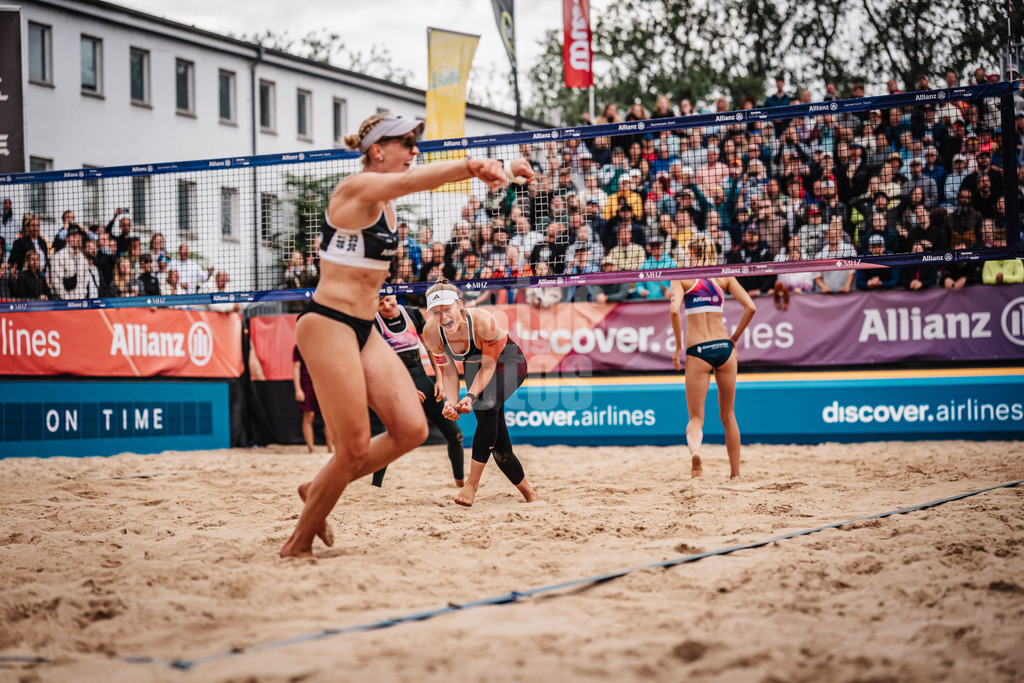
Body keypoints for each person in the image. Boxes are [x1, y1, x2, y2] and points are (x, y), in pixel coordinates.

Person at [282, 113, 535, 558]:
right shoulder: (355, 188)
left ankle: (317, 485)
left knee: (411, 429)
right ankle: (297, 544)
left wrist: (502, 172)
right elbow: (414, 181)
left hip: (362, 328)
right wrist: (474, 166)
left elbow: (410, 182)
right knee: (355, 445)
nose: (415, 149)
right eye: (406, 141)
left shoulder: (388, 205)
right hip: (327, 323)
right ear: (377, 150)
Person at [422, 278, 539, 507]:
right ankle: (530, 495)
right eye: (436, 312)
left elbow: (489, 366)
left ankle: (472, 485)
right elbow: (448, 372)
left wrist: (470, 396)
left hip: (509, 361)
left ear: (460, 305)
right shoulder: (431, 332)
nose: (443, 316)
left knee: (485, 407)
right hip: (474, 365)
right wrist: (451, 403)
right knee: (500, 448)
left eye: (447, 309)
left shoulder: (484, 321)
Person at [669, 234, 756, 479]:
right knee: (729, 416)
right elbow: (751, 307)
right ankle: (735, 474)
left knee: (696, 417)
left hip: (698, 350)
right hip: (724, 347)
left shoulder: (681, 277)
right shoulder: (724, 276)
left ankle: (696, 455)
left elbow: (674, 311)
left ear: (692, 253)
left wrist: (678, 347)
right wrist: (735, 337)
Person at [370, 294, 466, 488]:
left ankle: (461, 484)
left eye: (389, 299)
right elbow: (378, 365)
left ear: (395, 296)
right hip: (395, 384)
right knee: (393, 438)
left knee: (456, 435)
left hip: (422, 380)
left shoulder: (413, 314)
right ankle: (375, 487)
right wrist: (405, 388)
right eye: (380, 303)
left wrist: (439, 379)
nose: (387, 306)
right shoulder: (373, 323)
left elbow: (432, 349)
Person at [293, 345, 334, 454]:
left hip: (323, 383)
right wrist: (298, 389)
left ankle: (330, 448)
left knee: (328, 417)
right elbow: (296, 368)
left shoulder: (324, 343)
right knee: (309, 415)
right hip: (307, 384)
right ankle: (311, 449)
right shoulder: (299, 346)